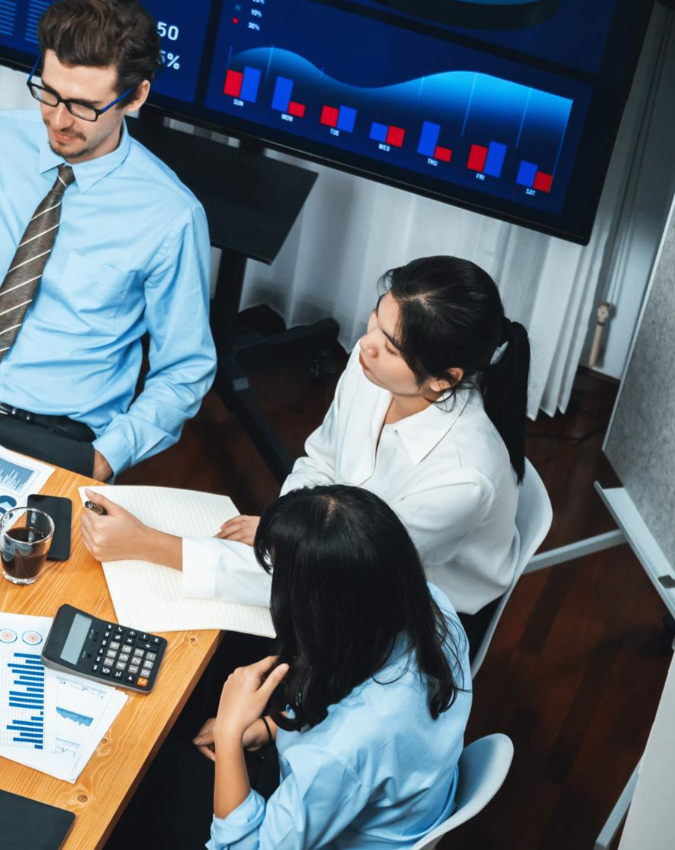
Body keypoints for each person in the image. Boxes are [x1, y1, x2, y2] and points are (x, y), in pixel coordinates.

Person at [82, 255, 527, 651]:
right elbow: (323, 459)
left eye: (390, 347)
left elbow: (332, 577)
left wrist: (148, 544)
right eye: (376, 318)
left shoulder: (462, 480)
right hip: (346, 554)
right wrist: (286, 523)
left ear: (444, 379)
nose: (365, 344)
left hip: (404, 611)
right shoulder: (372, 367)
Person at [0, 0, 216, 479]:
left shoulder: (171, 216)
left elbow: (184, 368)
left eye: (83, 106)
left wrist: (107, 455)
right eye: (48, 93)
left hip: (59, 438)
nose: (58, 119)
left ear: (136, 96)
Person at [130, 485, 470, 850]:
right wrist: (271, 728)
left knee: (141, 770)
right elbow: (349, 714)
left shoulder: (346, 747)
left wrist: (233, 736)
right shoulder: (431, 609)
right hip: (387, 809)